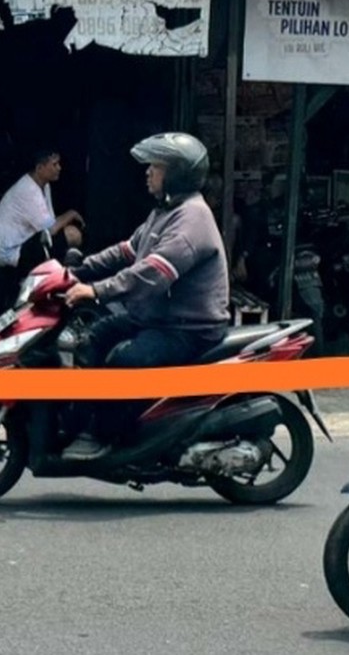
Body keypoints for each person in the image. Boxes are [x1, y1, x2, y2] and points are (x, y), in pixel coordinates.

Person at [57, 132, 232, 462]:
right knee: (92, 339)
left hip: (187, 330)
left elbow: (152, 273)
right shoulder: (164, 212)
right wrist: (74, 273)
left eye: (156, 166)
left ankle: (109, 436)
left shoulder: (192, 218)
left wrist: (96, 290)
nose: (148, 172)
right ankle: (79, 423)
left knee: (125, 362)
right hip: (153, 318)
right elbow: (126, 252)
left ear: (177, 174)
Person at [0, 149, 84, 277]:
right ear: (40, 168)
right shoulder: (28, 190)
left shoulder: (45, 186)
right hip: (13, 254)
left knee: (69, 235)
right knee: (72, 235)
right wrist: (71, 213)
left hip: (29, 240)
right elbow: (50, 229)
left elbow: (50, 221)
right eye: (54, 165)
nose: (59, 168)